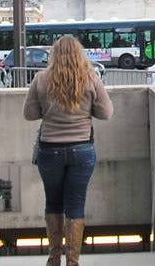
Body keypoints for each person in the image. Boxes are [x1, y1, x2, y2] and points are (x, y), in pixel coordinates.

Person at [23, 36, 114, 266]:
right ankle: (72, 261)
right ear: (79, 53)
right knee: (75, 205)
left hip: (50, 149)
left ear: (53, 54)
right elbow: (106, 113)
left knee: (53, 202)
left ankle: (54, 258)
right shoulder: (90, 77)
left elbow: (29, 114)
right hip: (82, 149)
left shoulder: (41, 79)